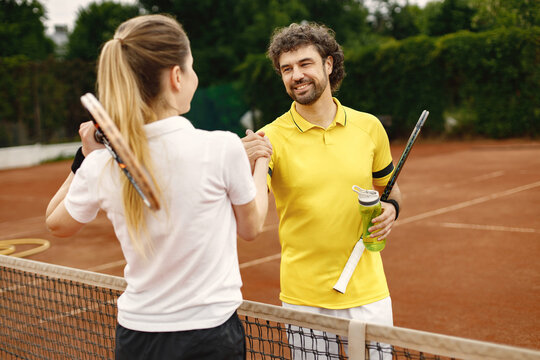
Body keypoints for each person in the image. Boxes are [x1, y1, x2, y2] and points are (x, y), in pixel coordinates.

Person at [45, 14, 271, 360]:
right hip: (209, 337)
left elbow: (56, 223)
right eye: (191, 67)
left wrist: (85, 158)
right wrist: (262, 163)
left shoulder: (101, 164)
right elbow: (252, 225)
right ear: (176, 76)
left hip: (137, 338)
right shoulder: (222, 147)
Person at [242, 22, 402, 358]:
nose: (295, 75)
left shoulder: (368, 127)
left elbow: (391, 191)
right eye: (286, 69)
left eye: (304, 64)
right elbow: (252, 212)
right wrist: (247, 166)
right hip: (305, 301)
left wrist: (392, 211)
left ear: (328, 64)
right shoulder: (270, 138)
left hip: (369, 294)